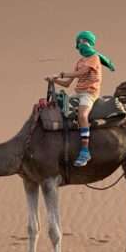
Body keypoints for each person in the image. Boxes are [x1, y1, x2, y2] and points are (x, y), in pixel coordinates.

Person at [49, 30, 112, 167]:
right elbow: (68, 83)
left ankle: (85, 151)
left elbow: (81, 73)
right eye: (80, 41)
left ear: (90, 43)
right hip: (77, 92)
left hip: (89, 93)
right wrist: (53, 81)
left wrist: (61, 74)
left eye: (85, 41)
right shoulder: (79, 61)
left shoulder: (94, 58)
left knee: (82, 115)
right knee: (59, 109)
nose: (82, 43)